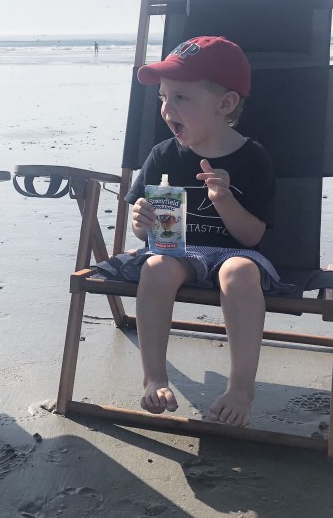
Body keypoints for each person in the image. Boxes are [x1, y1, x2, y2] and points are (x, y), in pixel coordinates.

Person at [102, 35, 291, 427]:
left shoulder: (252, 158)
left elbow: (253, 237)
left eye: (182, 98)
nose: (168, 108)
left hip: (236, 253)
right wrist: (141, 222)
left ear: (225, 104)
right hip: (180, 251)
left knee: (237, 273)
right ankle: (154, 376)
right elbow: (145, 229)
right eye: (163, 98)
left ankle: (241, 386)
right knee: (155, 267)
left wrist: (223, 199)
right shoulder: (162, 154)